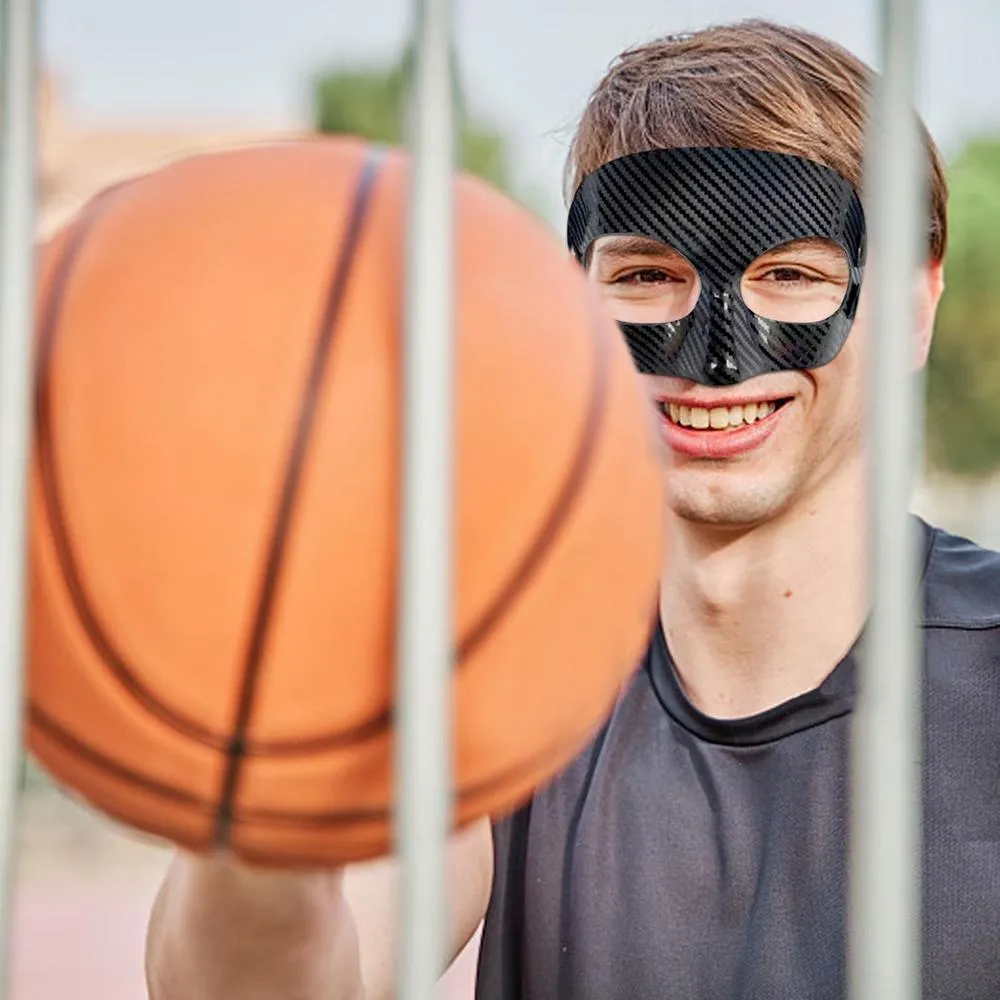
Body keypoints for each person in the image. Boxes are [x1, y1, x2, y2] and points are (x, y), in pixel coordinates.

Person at [145, 18, 1000, 1000]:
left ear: (915, 308)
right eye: (645, 276)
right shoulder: (500, 678)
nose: (717, 362)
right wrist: (273, 737)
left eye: (791, 275)